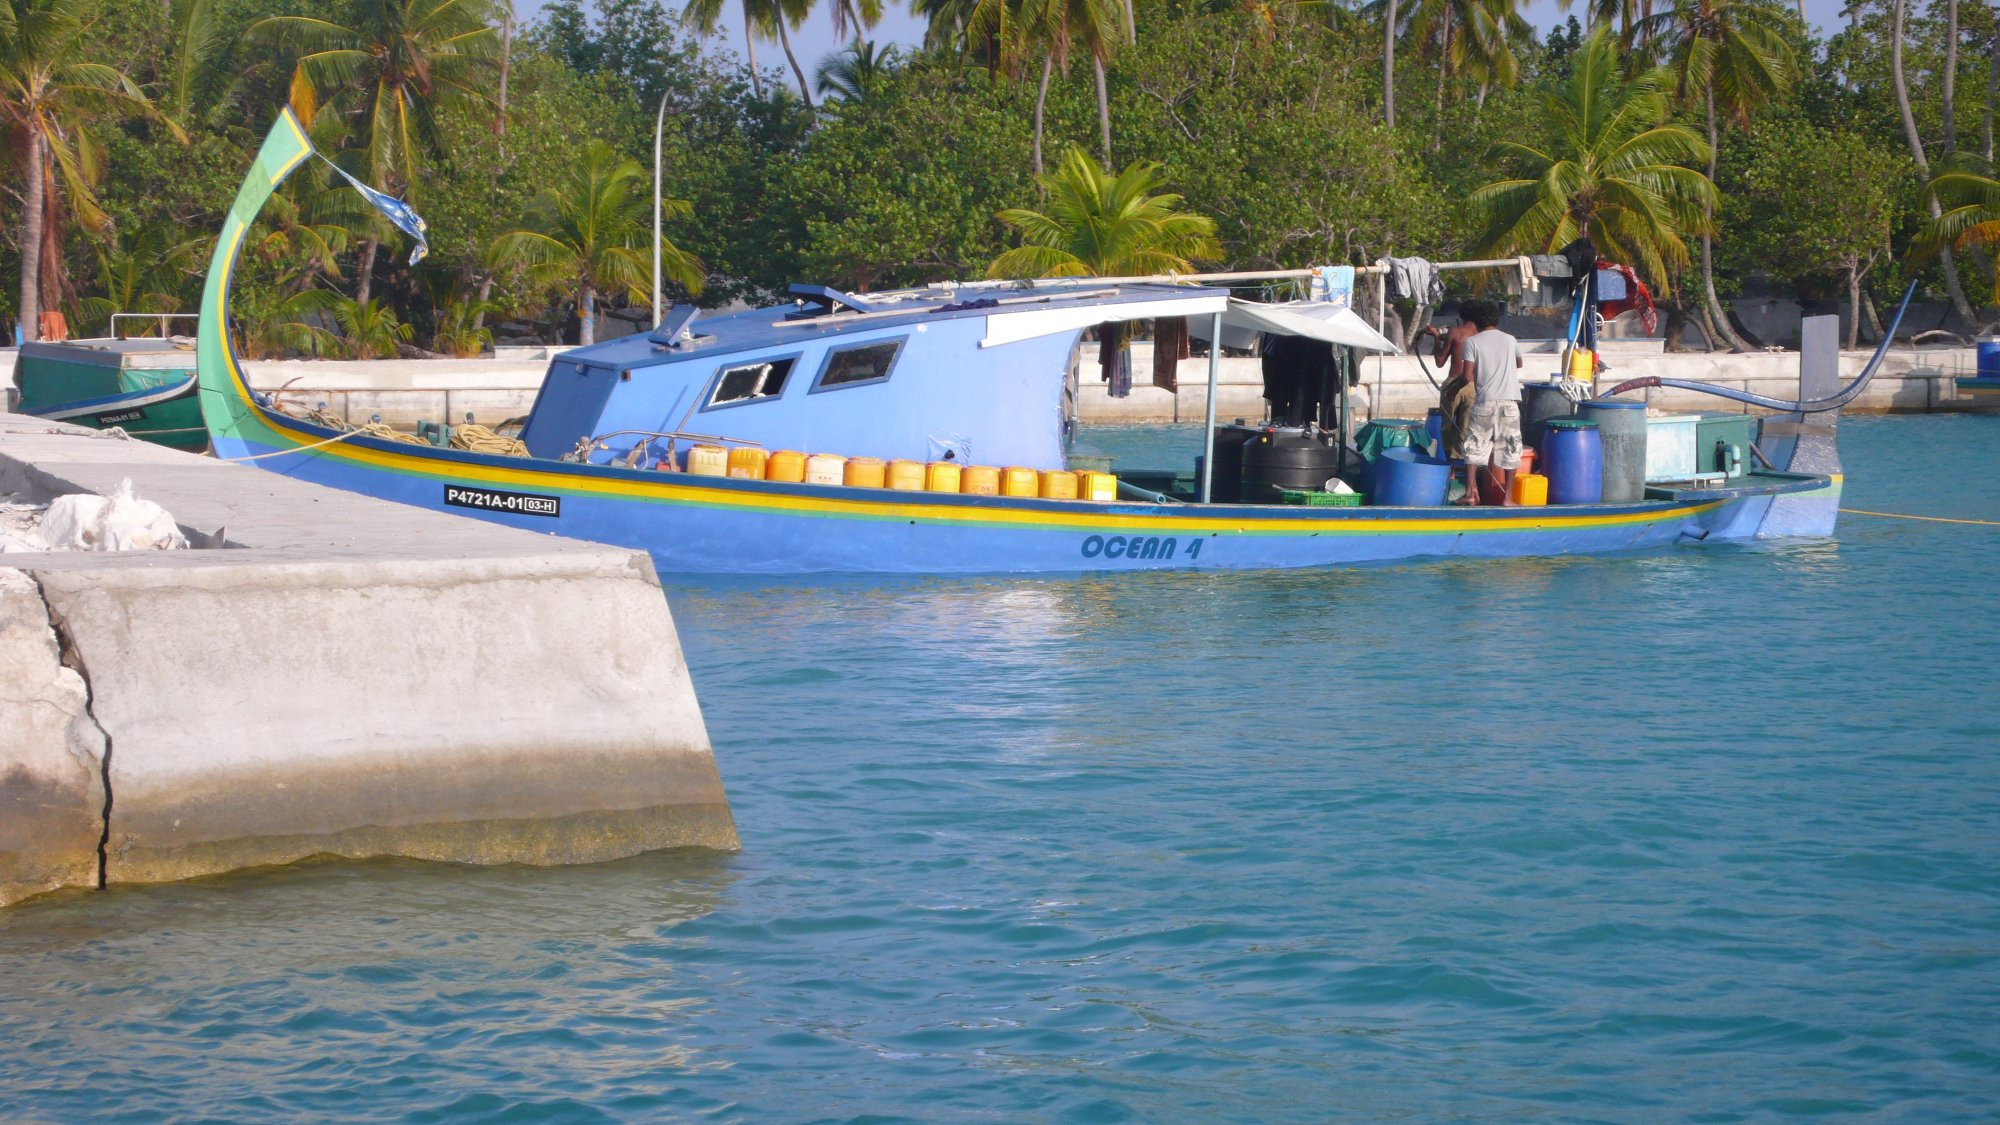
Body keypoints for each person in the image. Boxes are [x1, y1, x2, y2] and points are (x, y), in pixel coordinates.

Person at [1457, 301, 1524, 506]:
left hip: (1484, 402)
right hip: (1509, 402)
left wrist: (1452, 389)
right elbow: (1519, 363)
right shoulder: (1510, 340)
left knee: (1475, 446)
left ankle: (1470, 494)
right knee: (1511, 448)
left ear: (1476, 321)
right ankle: (1508, 498)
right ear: (1496, 319)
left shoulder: (1473, 342)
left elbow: (1467, 376)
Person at [1420, 303, 1481, 465]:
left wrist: (1437, 337)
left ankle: (1450, 470)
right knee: (1467, 428)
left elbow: (1440, 361)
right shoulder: (1482, 336)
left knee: (1447, 428)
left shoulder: (1456, 333)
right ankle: (1468, 470)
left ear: (1462, 317)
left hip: (1453, 383)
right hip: (1474, 386)